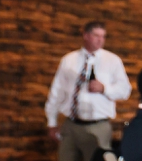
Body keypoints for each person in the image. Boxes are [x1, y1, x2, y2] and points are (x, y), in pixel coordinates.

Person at [45, 21, 130, 161]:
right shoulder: (68, 60)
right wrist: (52, 122)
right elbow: (57, 92)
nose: (100, 40)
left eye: (103, 36)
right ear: (86, 36)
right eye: (96, 35)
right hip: (71, 126)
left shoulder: (113, 61)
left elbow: (125, 90)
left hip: (98, 127)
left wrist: (104, 88)